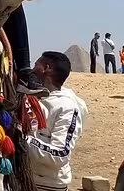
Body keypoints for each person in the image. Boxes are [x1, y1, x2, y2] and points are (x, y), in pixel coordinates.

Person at [28, 51, 88, 191]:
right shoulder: (36, 97)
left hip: (48, 184)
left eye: (36, 64)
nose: (32, 69)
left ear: (47, 68)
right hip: (29, 178)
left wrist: (24, 140)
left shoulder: (67, 107)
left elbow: (60, 155)